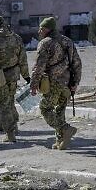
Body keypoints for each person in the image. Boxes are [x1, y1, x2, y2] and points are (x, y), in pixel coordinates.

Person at [30, 17, 81, 150]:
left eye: (41, 28)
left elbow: (39, 66)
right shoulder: (68, 41)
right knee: (59, 111)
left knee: (45, 108)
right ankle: (61, 141)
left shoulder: (45, 43)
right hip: (67, 83)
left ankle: (65, 129)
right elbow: (77, 63)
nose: (39, 30)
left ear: (47, 29)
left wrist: (33, 84)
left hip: (52, 83)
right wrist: (75, 82)